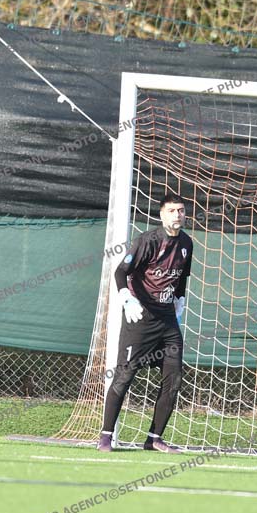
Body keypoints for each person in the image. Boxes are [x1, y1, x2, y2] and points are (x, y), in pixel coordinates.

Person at [98, 193, 192, 453]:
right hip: (140, 319)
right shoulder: (147, 241)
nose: (177, 215)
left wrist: (180, 300)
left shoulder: (186, 243)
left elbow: (181, 277)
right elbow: (121, 271)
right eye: (172, 211)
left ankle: (154, 438)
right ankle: (105, 436)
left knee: (174, 377)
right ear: (162, 215)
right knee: (125, 375)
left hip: (168, 322)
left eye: (181, 210)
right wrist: (127, 298)